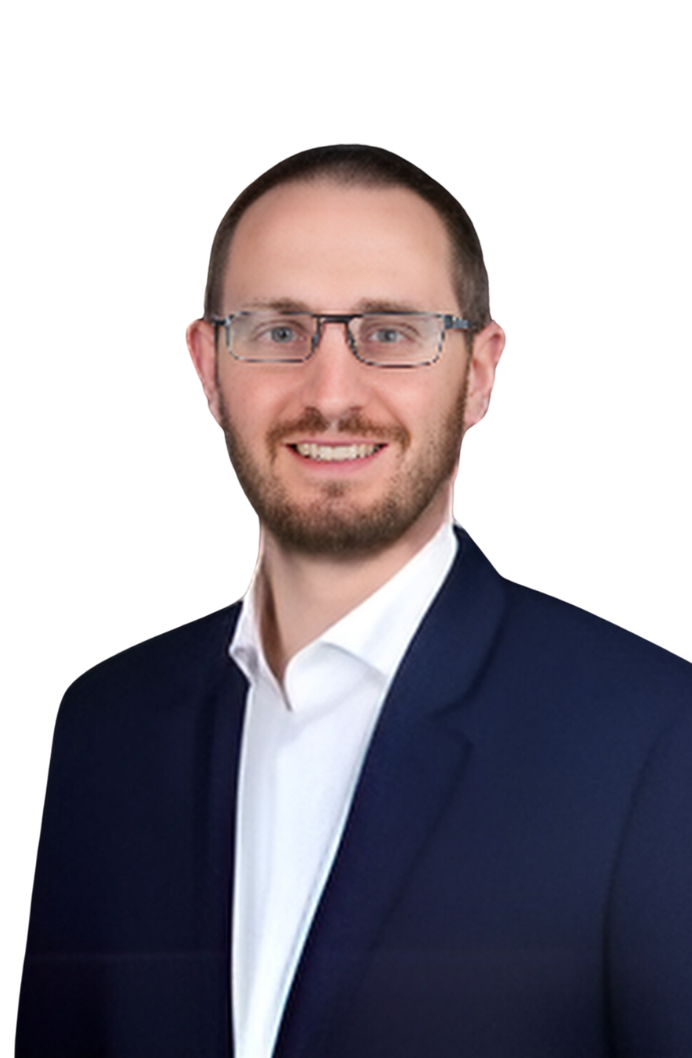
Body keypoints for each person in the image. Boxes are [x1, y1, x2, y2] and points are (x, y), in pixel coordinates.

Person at [16, 144, 692, 1058]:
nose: (331, 394)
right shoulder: (106, 726)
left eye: (393, 332)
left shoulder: (655, 738)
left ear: (480, 372)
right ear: (210, 367)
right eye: (277, 331)